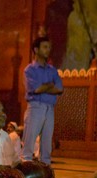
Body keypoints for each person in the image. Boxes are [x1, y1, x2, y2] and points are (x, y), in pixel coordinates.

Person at [22, 36, 63, 165]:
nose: (48, 50)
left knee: (46, 145)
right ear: (36, 49)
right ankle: (26, 173)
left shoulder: (52, 70)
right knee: (29, 143)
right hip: (35, 107)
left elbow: (60, 89)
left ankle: (45, 172)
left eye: (49, 47)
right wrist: (49, 85)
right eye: (45, 47)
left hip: (49, 108)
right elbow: (36, 89)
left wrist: (44, 87)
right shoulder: (30, 70)